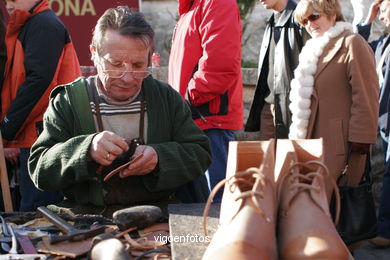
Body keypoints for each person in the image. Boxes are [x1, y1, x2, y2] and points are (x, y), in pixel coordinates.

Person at [28, 6, 211, 217]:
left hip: (157, 215)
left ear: (150, 58)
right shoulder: (68, 101)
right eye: (115, 64)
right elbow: (39, 169)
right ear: (94, 54)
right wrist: (85, 150)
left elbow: (200, 153)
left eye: (138, 65)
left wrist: (159, 157)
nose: (127, 77)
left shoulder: (166, 99)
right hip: (87, 218)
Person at [291, 0, 379, 202]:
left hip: (342, 147)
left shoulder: (352, 42)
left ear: (332, 14)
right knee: (313, 211)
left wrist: (361, 142)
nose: (309, 24)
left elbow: (366, 95)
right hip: (311, 145)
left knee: (338, 212)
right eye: (304, 21)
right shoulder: (311, 52)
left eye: (314, 16)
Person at [0, 0, 81, 212]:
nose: (8, 3)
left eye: (13, 0)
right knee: (35, 210)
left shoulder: (43, 24)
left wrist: (7, 126)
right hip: (36, 133)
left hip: (44, 137)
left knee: (39, 213)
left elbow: (40, 81)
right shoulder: (34, 24)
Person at [168, 0, 243, 202]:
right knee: (197, 212)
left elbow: (220, 64)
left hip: (209, 122)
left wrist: (188, 99)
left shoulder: (216, 3)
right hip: (193, 121)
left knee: (217, 212)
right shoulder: (190, 8)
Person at [245, 0, 310, 139]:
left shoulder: (302, 19)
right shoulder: (272, 21)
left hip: (293, 109)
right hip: (268, 107)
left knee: (292, 159)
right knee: (268, 160)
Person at [357, 0, 390, 248]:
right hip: (383, 121)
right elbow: (359, 48)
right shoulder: (382, 44)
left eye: (387, 9)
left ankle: (386, 231)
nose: (383, 15)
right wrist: (368, 19)